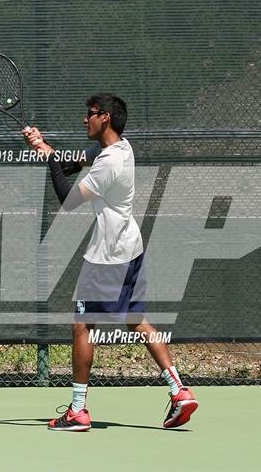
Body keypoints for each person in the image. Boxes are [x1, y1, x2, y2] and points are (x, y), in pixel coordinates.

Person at [23, 94, 198, 431]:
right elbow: (73, 162)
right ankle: (179, 391)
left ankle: (77, 410)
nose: (83, 120)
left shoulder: (109, 163)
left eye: (88, 114)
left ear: (104, 118)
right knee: (136, 319)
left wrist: (49, 161)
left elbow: (68, 199)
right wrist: (45, 148)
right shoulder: (120, 148)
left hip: (107, 257)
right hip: (130, 248)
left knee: (82, 325)